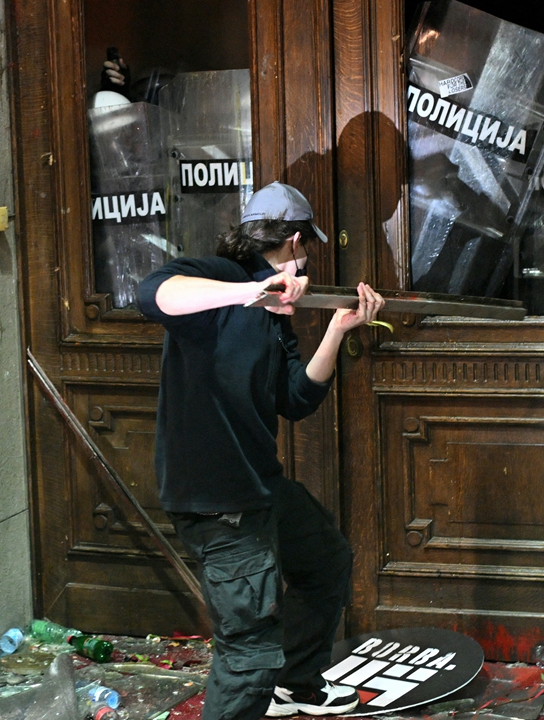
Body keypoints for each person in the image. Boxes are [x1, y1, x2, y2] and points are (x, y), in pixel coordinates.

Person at [138, 182, 385, 720]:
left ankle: (296, 684)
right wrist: (248, 292)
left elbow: (295, 398)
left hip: (258, 483)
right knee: (249, 653)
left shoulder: (277, 312)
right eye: (308, 250)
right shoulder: (218, 279)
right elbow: (151, 292)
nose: (308, 261)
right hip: (215, 497)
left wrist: (338, 331)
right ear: (295, 241)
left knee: (326, 561)